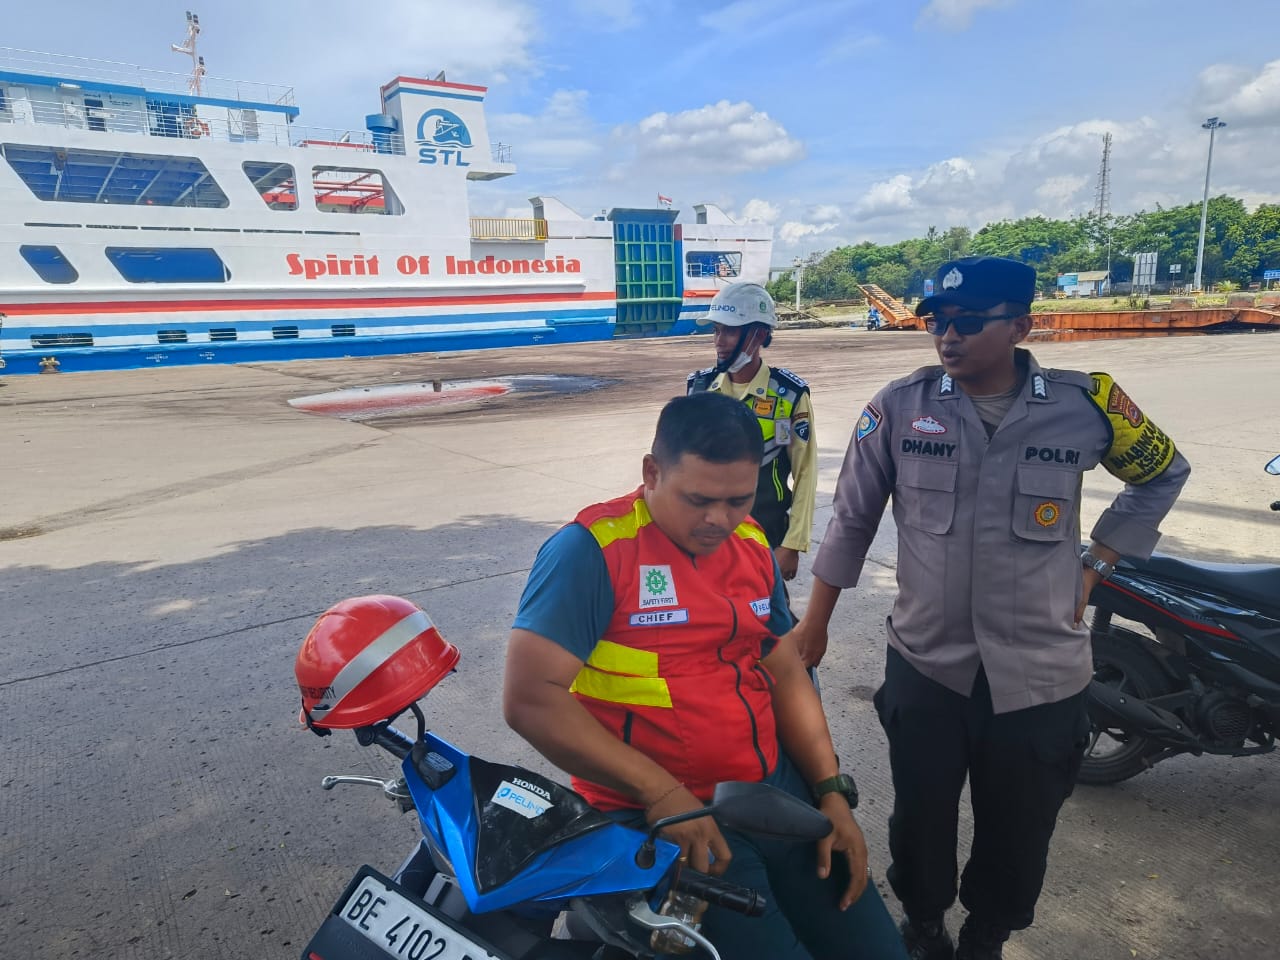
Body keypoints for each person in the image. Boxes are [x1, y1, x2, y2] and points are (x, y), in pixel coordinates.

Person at [791, 256, 1191, 960]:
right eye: (937, 322)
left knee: (1021, 827)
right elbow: (851, 519)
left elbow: (1163, 472)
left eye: (968, 322)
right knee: (920, 820)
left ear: (1020, 327)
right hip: (927, 664)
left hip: (1041, 671)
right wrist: (815, 623)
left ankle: (986, 936)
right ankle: (924, 925)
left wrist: (1098, 562)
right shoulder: (899, 406)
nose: (948, 336)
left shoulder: (1087, 404)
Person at [503, 392, 908, 959]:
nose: (720, 520)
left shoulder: (751, 545)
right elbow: (531, 699)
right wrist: (659, 792)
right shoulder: (593, 552)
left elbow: (784, 670)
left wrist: (829, 789)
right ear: (652, 472)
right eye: (699, 500)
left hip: (769, 790)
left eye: (739, 499)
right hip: (661, 813)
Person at [686, 282, 816, 583]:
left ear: (758, 334)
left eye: (729, 331)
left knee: (766, 610)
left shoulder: (788, 396)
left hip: (765, 536)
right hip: (705, 537)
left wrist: (793, 544)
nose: (719, 341)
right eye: (716, 331)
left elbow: (805, 472)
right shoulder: (699, 389)